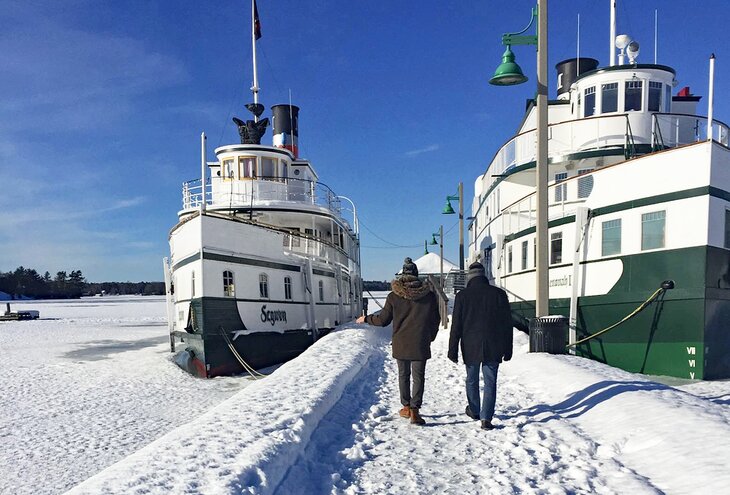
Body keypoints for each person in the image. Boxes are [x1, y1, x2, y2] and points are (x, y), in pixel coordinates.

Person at [356, 257, 440, 425]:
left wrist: (366, 318)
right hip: (420, 342)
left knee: (403, 375)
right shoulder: (429, 296)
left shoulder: (394, 296)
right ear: (416, 275)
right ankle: (415, 411)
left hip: (401, 342)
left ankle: (406, 407)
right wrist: (429, 336)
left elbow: (383, 320)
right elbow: (435, 320)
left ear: (402, 275)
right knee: (419, 377)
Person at [448, 261, 513, 430]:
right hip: (494, 344)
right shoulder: (499, 294)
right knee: (490, 381)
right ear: (484, 275)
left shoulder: (462, 296)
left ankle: (475, 410)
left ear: (470, 277)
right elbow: (507, 324)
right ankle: (486, 418)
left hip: (470, 345)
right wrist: (508, 348)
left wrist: (452, 349)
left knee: (472, 379)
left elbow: (456, 325)